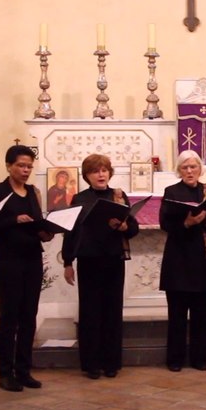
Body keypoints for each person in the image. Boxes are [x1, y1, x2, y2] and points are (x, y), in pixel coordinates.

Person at [0, 145, 53, 392]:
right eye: (21, 166)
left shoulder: (32, 192)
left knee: (28, 315)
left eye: (29, 167)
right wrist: (14, 220)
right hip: (8, 259)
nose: (25, 170)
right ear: (9, 166)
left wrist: (45, 232)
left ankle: (24, 370)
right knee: (10, 316)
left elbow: (37, 223)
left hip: (32, 257)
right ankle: (5, 372)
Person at [62, 154, 139, 379]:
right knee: (90, 312)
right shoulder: (79, 198)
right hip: (89, 260)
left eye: (104, 170)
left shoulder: (118, 196)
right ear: (87, 175)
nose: (101, 174)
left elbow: (133, 229)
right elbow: (71, 231)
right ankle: (91, 363)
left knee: (112, 311)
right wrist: (68, 262)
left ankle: (111, 362)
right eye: (95, 171)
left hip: (113, 259)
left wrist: (124, 226)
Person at [158, 151, 206, 371]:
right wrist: (187, 223)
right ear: (179, 170)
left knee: (201, 313)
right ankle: (175, 359)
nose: (189, 171)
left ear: (200, 169)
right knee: (177, 314)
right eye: (185, 167)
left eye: (193, 167)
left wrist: (204, 222)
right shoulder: (171, 191)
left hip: (204, 259)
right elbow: (165, 224)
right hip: (178, 258)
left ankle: (200, 358)